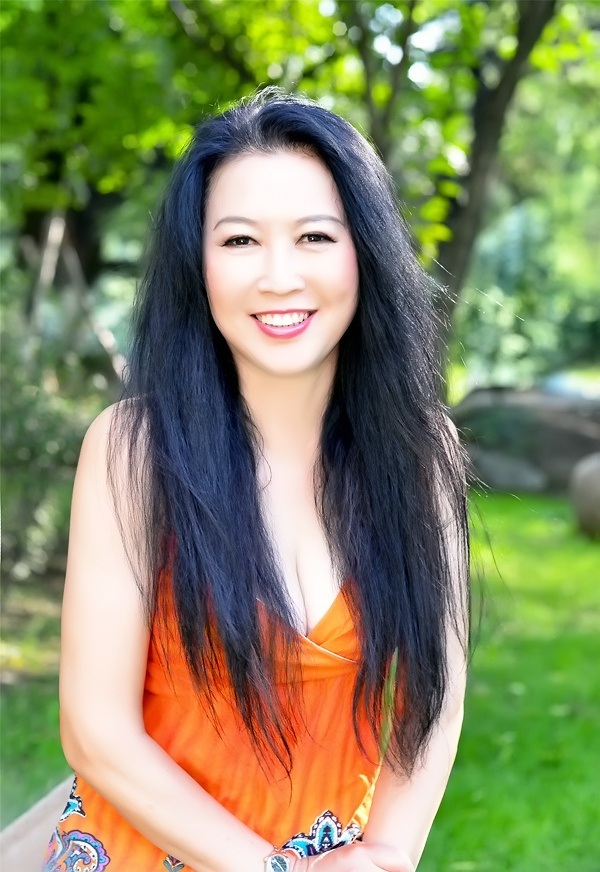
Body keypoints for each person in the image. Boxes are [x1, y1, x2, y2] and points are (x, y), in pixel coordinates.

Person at [43, 90, 469, 872]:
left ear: (365, 252)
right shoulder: (133, 453)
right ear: (198, 265)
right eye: (240, 240)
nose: (278, 277)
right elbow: (96, 733)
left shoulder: (420, 454)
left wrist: (385, 856)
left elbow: (435, 698)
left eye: (314, 237)